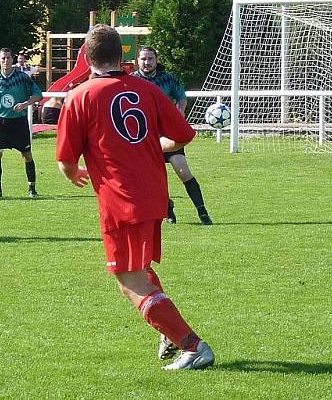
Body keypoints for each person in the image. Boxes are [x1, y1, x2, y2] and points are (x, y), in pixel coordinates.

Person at [56, 24, 215, 371]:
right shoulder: (147, 89)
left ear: (86, 56)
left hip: (120, 199)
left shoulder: (80, 96)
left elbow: (66, 162)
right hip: (155, 194)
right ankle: (169, 329)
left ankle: (192, 345)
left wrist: (74, 175)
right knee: (139, 271)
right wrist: (152, 148)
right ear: (123, 55)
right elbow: (184, 135)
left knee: (128, 279)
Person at [132, 46, 212, 225]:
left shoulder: (168, 79)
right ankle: (168, 209)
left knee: (183, 171)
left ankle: (203, 212)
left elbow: (182, 97)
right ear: (137, 60)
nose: (147, 62)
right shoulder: (131, 81)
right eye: (143, 59)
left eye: (150, 59)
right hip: (144, 137)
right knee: (155, 178)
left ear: (156, 59)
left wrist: (180, 112)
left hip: (167, 134)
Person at [0, 48, 43, 199]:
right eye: (3, 58)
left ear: (13, 60)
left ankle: (32, 189)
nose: (6, 61)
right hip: (1, 122)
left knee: (26, 155)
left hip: (19, 122)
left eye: (8, 58)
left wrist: (25, 104)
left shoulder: (22, 77)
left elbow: (38, 94)